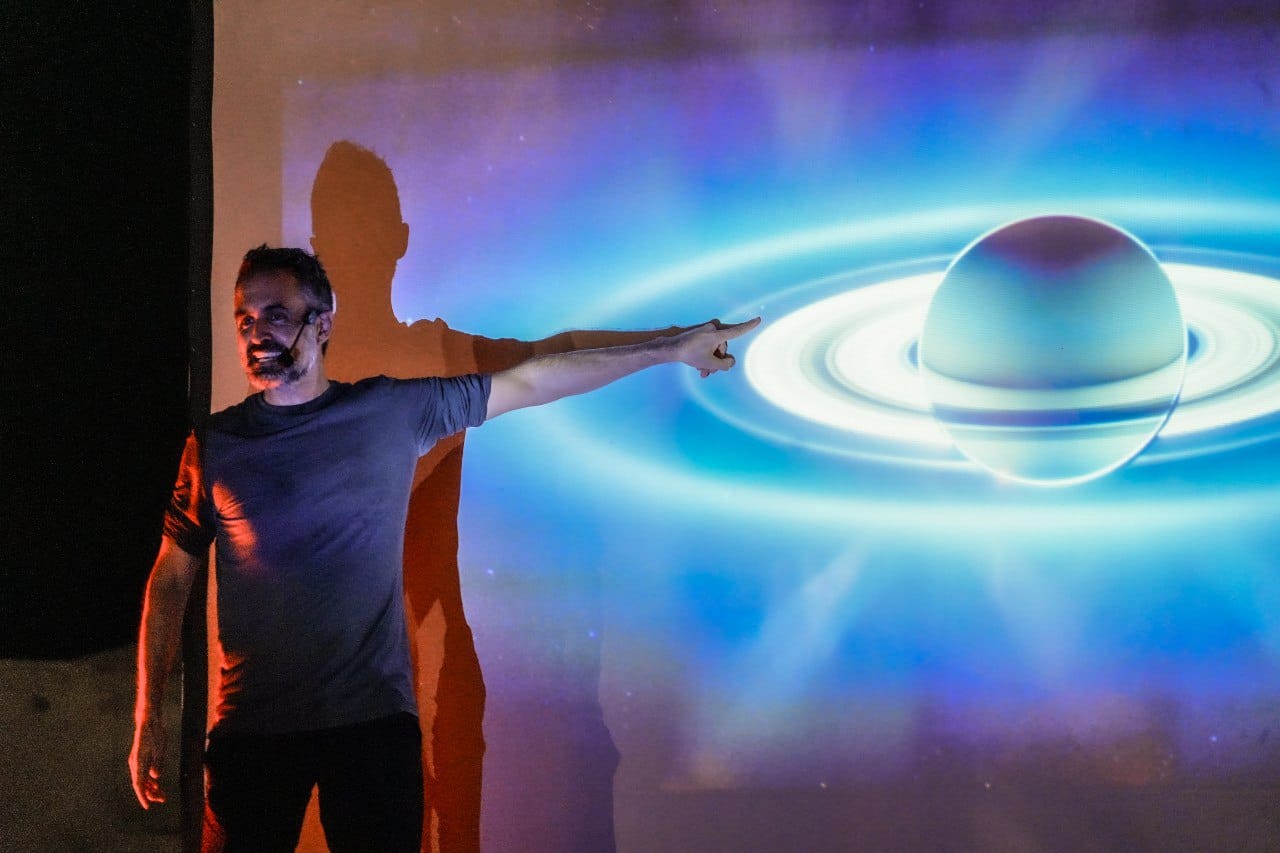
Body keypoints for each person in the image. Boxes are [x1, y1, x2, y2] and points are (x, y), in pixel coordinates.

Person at [128, 245, 758, 852]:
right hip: (253, 730)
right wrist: (148, 715)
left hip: (371, 728)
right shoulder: (217, 445)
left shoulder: (390, 411)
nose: (256, 332)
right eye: (245, 319)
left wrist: (670, 348)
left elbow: (530, 382)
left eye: (276, 315)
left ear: (322, 324)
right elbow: (171, 578)